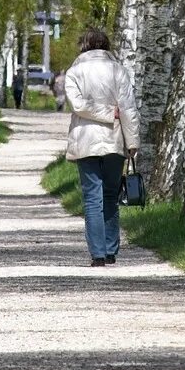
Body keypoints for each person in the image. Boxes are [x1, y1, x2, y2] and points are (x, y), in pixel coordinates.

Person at [61, 26, 139, 266]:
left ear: (83, 46)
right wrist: (132, 141)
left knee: (93, 196)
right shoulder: (118, 71)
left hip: (85, 140)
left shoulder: (74, 72)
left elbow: (77, 105)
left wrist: (104, 113)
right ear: (106, 46)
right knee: (110, 195)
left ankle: (98, 253)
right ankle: (110, 248)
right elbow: (128, 108)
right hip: (114, 139)